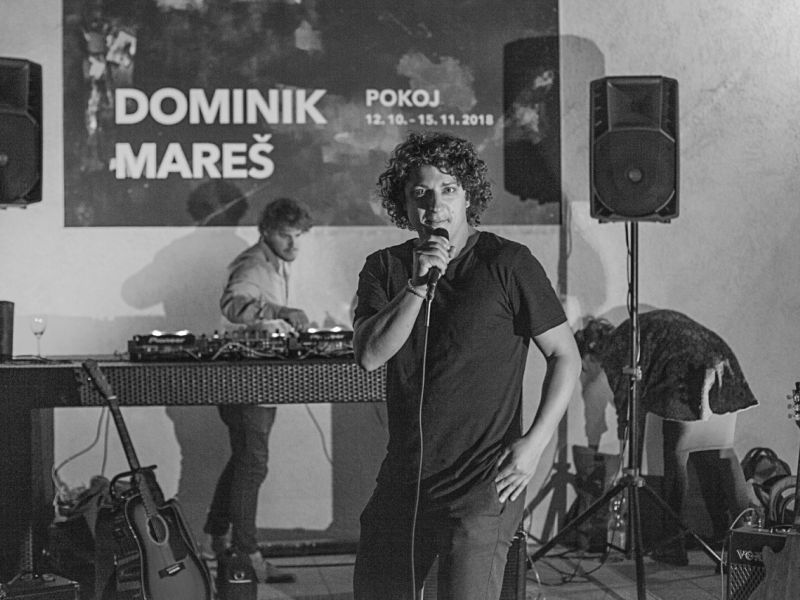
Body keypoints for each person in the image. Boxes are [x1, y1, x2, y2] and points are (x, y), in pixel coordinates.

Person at [351, 131, 581, 599]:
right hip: (404, 477)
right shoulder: (384, 268)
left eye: (448, 190)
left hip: (481, 482)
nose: (435, 206)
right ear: (404, 205)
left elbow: (565, 355)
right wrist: (417, 287)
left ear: (468, 196)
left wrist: (534, 445)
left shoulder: (508, 263)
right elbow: (370, 355)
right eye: (420, 193)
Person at [575, 309, 759, 566]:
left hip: (687, 370)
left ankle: (673, 545)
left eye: (585, 367)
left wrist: (626, 454)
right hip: (721, 358)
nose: (589, 374)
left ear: (590, 354)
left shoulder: (615, 348)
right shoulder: (631, 330)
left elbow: (627, 404)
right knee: (723, 451)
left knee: (675, 456)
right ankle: (750, 539)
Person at [203, 197, 313, 584]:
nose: (293, 244)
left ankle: (217, 539)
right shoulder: (253, 264)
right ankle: (247, 556)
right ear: (265, 231)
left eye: (298, 236)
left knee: (244, 461)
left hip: (253, 379)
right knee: (253, 464)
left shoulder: (271, 262)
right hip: (246, 381)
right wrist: (279, 312)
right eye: (285, 235)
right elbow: (233, 304)